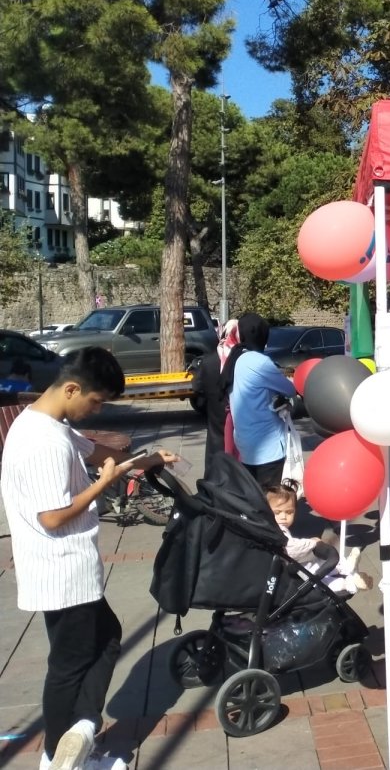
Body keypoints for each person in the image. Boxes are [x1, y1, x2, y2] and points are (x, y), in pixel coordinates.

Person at [1, 347, 179, 770]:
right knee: (69, 665)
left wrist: (148, 460)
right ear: (71, 389)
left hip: (68, 567)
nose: (95, 410)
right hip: (60, 568)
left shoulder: (47, 424)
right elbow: (52, 516)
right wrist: (103, 484)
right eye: (95, 402)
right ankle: (58, 756)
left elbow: (97, 453)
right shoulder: (43, 442)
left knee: (106, 637)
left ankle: (80, 734)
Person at [226, 313, 296, 486]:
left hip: (245, 443)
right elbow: (289, 389)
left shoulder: (236, 358)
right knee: (270, 497)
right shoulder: (260, 362)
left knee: (253, 495)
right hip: (267, 447)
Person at [264, 484, 372, 595]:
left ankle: (346, 568)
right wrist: (313, 542)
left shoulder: (270, 528)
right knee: (323, 581)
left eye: (289, 512)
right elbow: (292, 549)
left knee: (319, 564)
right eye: (277, 512)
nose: (283, 517)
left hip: (294, 566)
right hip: (291, 571)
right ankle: (351, 582)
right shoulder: (277, 531)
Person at [192, 319, 239, 474]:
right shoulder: (242, 359)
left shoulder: (209, 360)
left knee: (215, 448)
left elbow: (197, 386)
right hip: (239, 415)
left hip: (215, 413)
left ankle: (214, 481)